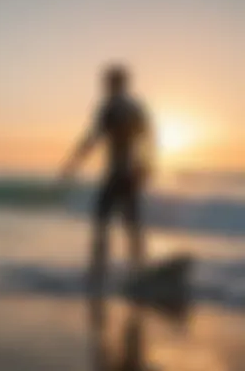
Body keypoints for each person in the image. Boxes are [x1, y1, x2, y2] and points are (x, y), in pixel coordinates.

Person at [60, 64, 153, 329]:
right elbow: (148, 139)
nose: (105, 86)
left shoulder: (113, 108)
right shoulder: (133, 108)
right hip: (129, 175)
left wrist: (72, 163)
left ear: (116, 84)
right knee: (130, 225)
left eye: (108, 82)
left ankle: (99, 274)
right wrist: (148, 165)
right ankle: (138, 273)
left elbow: (93, 139)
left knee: (104, 223)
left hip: (119, 175)